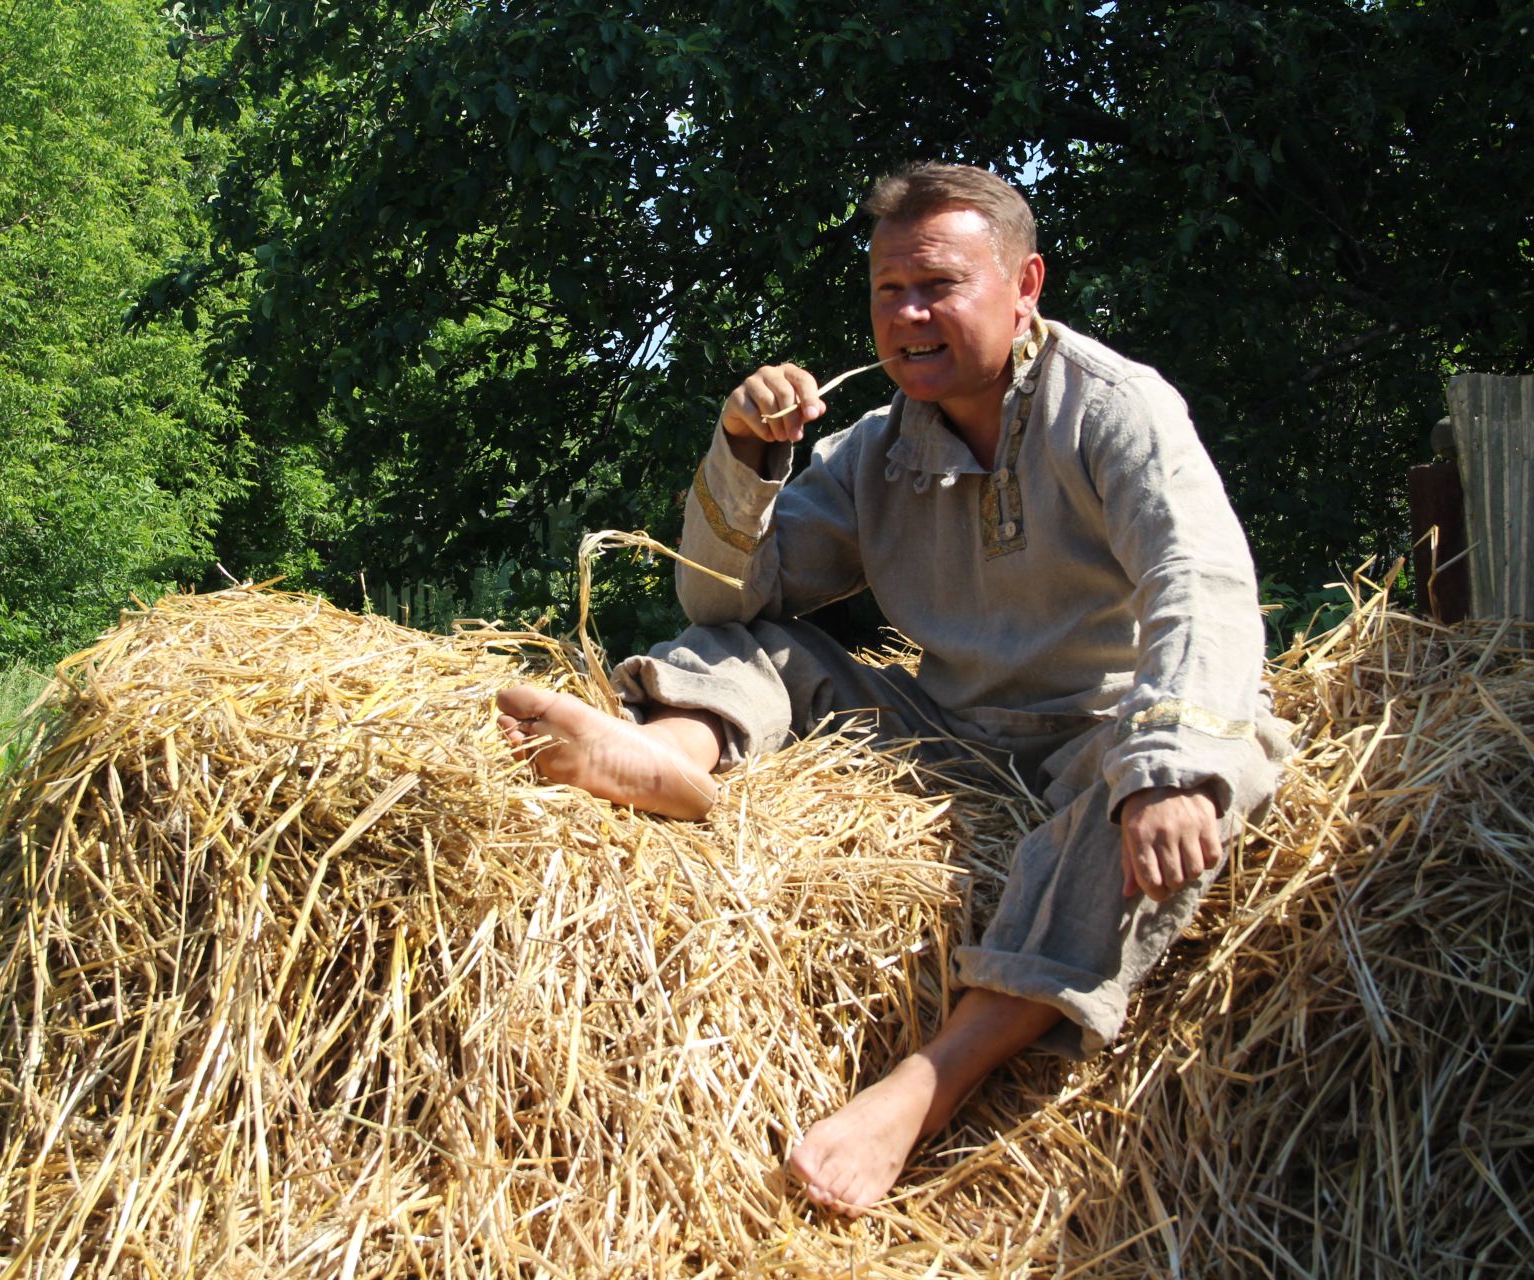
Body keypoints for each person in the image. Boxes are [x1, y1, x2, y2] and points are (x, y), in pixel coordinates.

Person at [496, 162, 1290, 1215]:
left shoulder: (1113, 408)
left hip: (1098, 728)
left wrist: (1169, 769)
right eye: (888, 290)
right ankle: (670, 757)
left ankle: (929, 1081)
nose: (908, 314)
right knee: (768, 644)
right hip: (950, 724)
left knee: (1184, 787)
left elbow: (1201, 581)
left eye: (940, 286)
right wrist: (744, 455)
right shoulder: (876, 449)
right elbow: (733, 600)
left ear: (1025, 284)